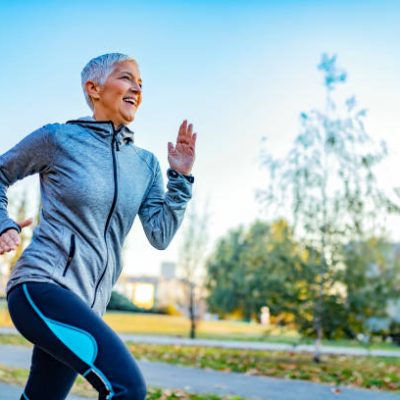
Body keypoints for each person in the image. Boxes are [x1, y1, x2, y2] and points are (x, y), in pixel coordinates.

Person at [1, 53, 197, 400]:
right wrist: (3, 223)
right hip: (41, 285)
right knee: (128, 389)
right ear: (94, 88)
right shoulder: (59, 139)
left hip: (87, 305)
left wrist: (180, 179)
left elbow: (160, 234)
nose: (136, 87)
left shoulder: (145, 164)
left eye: (140, 83)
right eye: (126, 78)